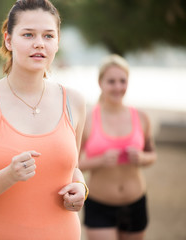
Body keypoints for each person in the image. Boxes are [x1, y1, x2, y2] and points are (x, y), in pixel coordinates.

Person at [0, 1, 88, 239]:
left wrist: (82, 188)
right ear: (8, 40)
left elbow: (72, 168)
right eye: (28, 34)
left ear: (57, 42)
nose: (39, 43)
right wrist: (9, 175)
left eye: (48, 35)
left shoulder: (74, 102)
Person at [79, 54, 157, 240]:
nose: (118, 87)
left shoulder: (142, 117)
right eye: (111, 81)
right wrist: (100, 160)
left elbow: (152, 155)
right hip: (99, 204)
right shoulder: (87, 119)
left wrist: (141, 158)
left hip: (136, 202)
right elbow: (73, 163)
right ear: (100, 83)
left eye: (122, 81)